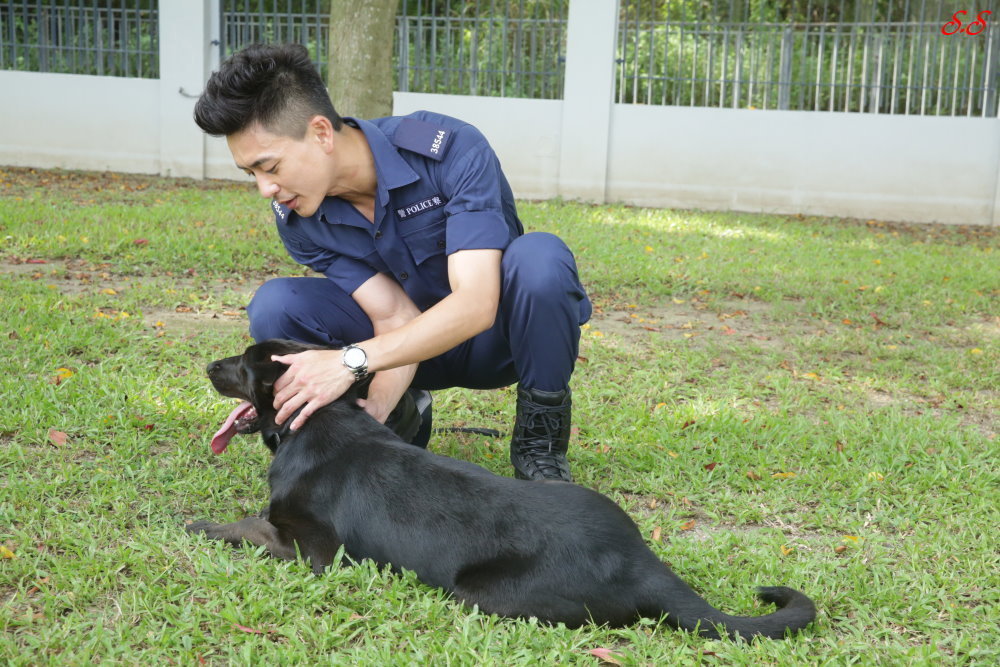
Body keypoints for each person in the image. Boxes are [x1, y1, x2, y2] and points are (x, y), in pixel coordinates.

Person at [194, 43, 591, 481]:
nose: (265, 189)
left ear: (322, 133)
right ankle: (395, 420)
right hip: (400, 352)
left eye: (270, 167)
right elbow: (393, 314)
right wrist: (377, 409)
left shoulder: (448, 149)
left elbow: (477, 303)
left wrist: (348, 362)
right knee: (278, 304)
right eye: (251, 174)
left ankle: (539, 449)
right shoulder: (298, 218)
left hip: (497, 342)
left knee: (540, 259)